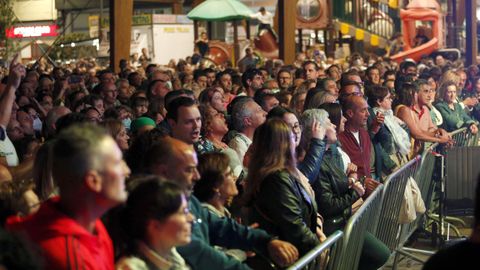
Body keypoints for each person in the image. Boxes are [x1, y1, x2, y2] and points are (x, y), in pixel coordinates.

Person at [145, 136, 299, 269]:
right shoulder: (156, 210)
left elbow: (223, 228)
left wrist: (266, 241)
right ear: (164, 172)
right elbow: (202, 256)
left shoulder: (188, 200)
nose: (197, 176)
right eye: (189, 170)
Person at [7, 123, 131, 270]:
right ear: (93, 181)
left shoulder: (92, 225)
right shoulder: (70, 258)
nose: (127, 170)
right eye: (117, 163)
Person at [304, 109, 391, 270]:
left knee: (381, 254)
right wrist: (354, 192)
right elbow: (328, 205)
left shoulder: (330, 155)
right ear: (318, 129)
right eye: (329, 122)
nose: (335, 125)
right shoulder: (319, 161)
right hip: (334, 227)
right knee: (379, 254)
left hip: (343, 221)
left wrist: (352, 181)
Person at [244, 119, 323, 256]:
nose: (295, 141)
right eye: (291, 137)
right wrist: (320, 247)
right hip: (286, 256)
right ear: (282, 144)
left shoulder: (281, 174)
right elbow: (294, 226)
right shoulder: (276, 179)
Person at [116, 176, 193, 270]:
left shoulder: (173, 258)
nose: (191, 218)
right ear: (155, 225)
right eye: (183, 212)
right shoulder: (131, 267)